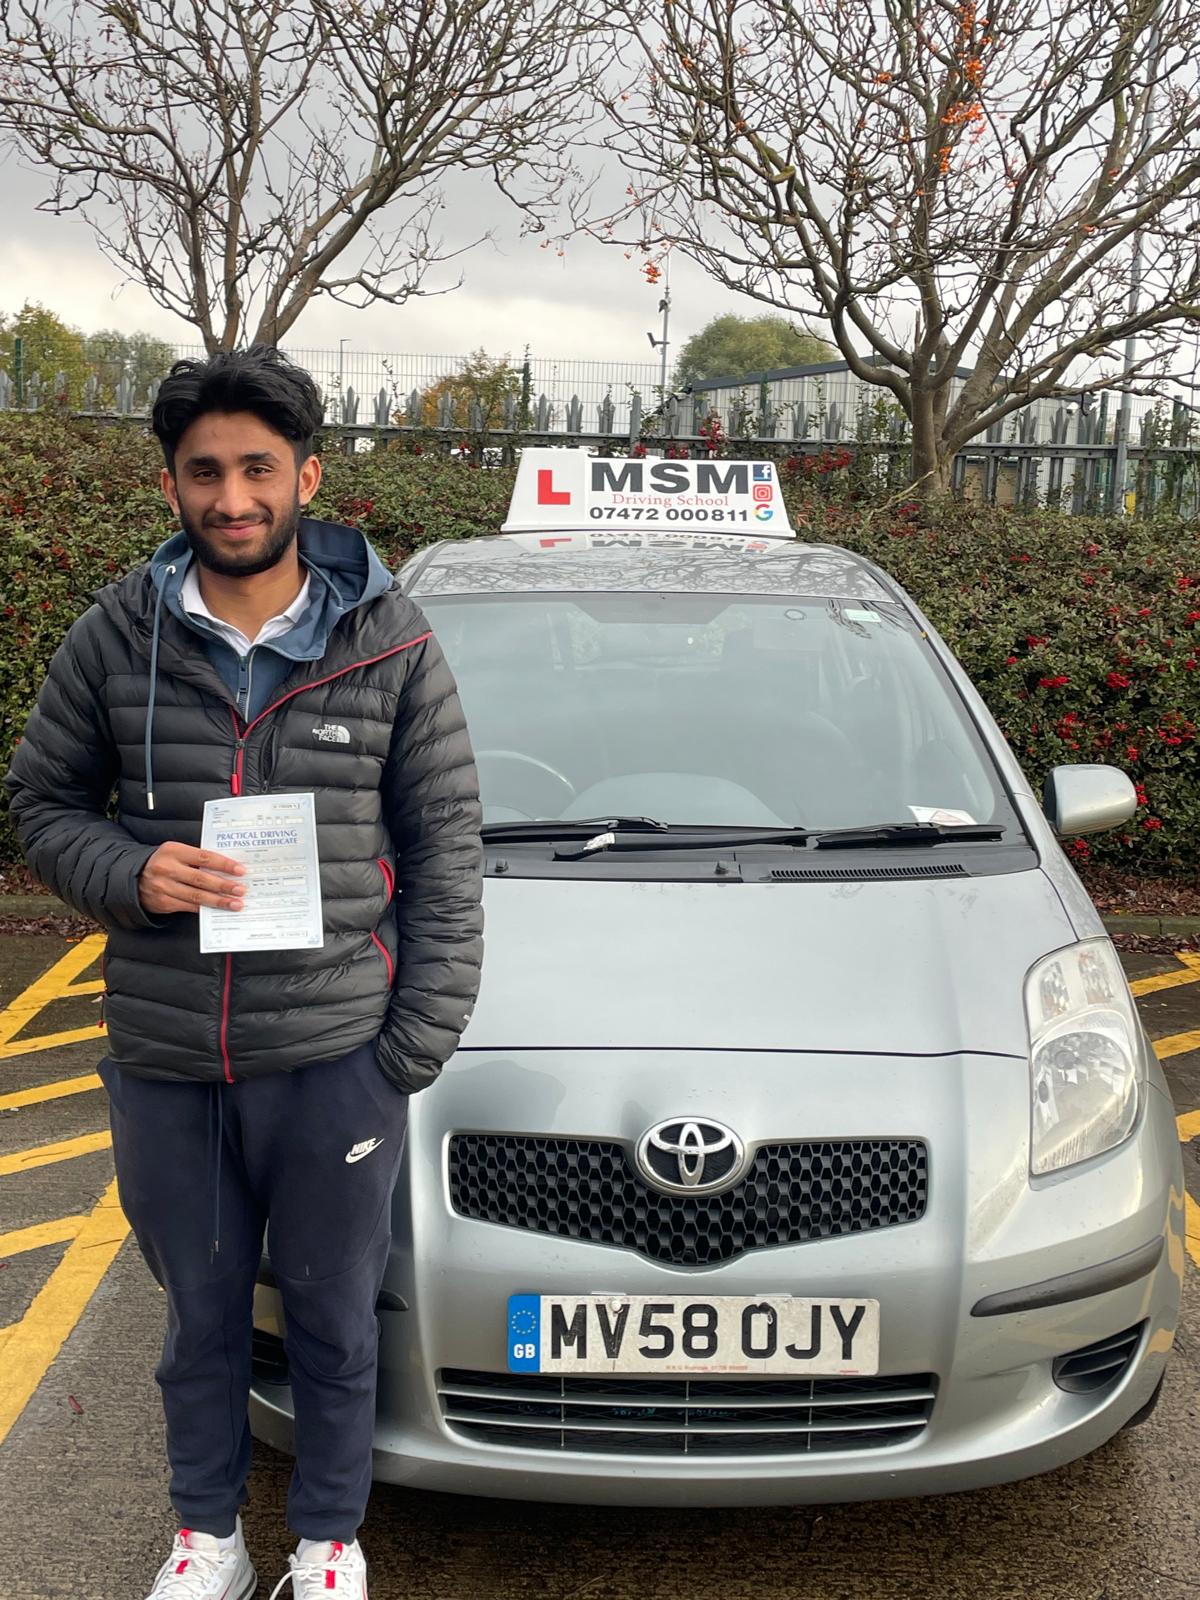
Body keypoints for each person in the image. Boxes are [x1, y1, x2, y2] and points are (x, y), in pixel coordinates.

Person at [4, 346, 484, 1599]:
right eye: (204, 472)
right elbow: (41, 804)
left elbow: (448, 854)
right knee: (197, 1324)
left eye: (257, 469)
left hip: (335, 1063)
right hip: (168, 1060)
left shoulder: (390, 641)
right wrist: (131, 872)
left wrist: (404, 1054)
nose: (232, 497)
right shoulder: (116, 638)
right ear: (171, 483)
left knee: (331, 1320)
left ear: (307, 476)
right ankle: (207, 1537)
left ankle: (327, 1541)